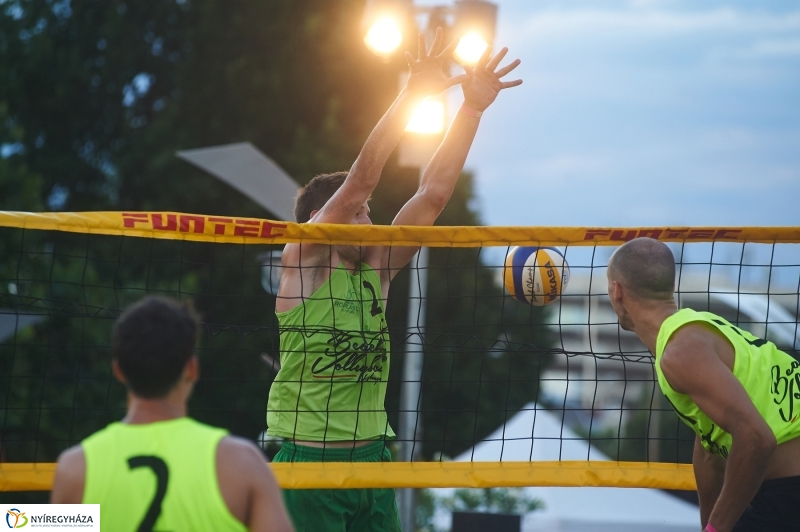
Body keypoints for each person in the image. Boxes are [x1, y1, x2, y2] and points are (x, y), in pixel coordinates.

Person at [267, 28, 523, 531]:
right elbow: (363, 178)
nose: (369, 219)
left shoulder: (375, 269)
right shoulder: (303, 260)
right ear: (323, 217)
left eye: (369, 213)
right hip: (310, 465)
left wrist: (470, 109)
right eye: (359, 213)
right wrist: (411, 94)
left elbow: (431, 195)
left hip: (374, 462)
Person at [51, 296, 293, 532]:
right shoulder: (241, 464)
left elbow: (16, 522)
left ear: (119, 371)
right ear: (192, 369)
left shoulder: (74, 470)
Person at [606, 237, 800, 532]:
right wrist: (709, 524)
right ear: (669, 287)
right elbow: (709, 449)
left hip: (788, 492)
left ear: (616, 291)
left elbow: (756, 437)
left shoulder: (680, 353)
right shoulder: (699, 328)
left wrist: (716, 529)